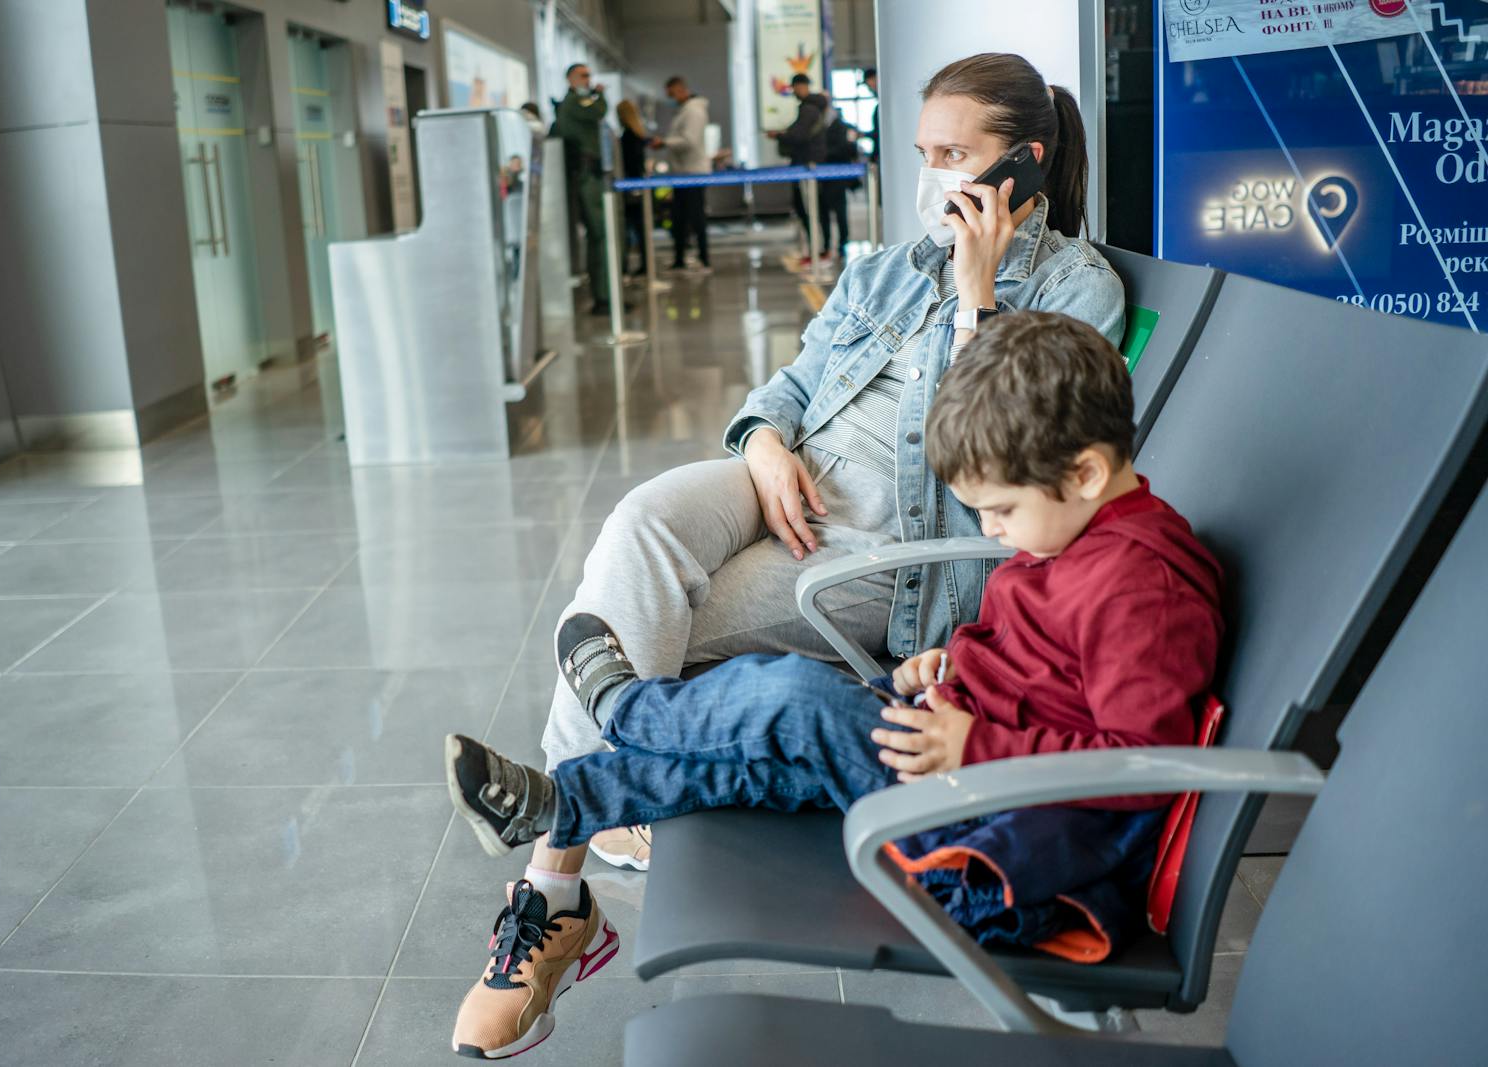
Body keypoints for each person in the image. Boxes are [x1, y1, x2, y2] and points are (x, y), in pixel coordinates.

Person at [449, 50, 1125, 1056]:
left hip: (888, 550)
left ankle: (552, 888)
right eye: (925, 153)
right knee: (640, 522)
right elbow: (796, 380)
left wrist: (977, 301)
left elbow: (992, 460)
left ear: (1023, 162)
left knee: (645, 634)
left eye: (958, 155)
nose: (938, 177)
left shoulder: (1078, 289)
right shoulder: (893, 267)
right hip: (789, 483)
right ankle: (579, 837)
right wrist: (763, 442)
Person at [446, 311, 1222, 1058]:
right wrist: (951, 664)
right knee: (755, 757)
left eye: (1000, 511)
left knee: (795, 700)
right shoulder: (1073, 531)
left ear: (1085, 472)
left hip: (994, 849)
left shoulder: (1139, 587)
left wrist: (973, 743)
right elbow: (1045, 667)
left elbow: (1141, 760)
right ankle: (564, 803)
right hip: (955, 768)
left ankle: (630, 708)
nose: (991, 532)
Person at [549, 63, 614, 315]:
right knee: (600, 234)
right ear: (571, 79)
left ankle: (605, 294)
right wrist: (601, 95)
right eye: (584, 76)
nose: (589, 80)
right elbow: (599, 111)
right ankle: (603, 296)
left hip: (590, 173)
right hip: (587, 175)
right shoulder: (575, 103)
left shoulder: (576, 102)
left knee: (600, 236)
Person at [768, 73, 830, 260]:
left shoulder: (808, 109)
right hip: (810, 164)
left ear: (801, 87)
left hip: (806, 165)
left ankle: (818, 252)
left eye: (795, 87)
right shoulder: (814, 108)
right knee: (814, 207)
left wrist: (779, 135)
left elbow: (799, 136)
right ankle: (819, 251)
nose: (794, 91)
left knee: (810, 208)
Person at [658, 75, 711, 272]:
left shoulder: (694, 112)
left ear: (680, 90)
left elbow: (690, 141)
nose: (671, 98)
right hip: (681, 173)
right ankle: (679, 258)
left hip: (693, 172)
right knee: (678, 217)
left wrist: (664, 143)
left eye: (671, 94)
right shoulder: (684, 111)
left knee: (696, 217)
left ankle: (704, 259)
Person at [615, 99, 650, 277]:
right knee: (639, 228)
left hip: (631, 187)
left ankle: (628, 267)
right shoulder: (638, 135)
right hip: (637, 185)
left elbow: (630, 163)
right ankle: (643, 265)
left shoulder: (628, 137)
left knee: (632, 228)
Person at [820, 110, 860, 259]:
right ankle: (829, 244)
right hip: (825, 177)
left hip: (836, 176)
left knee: (839, 211)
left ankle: (841, 243)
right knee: (827, 212)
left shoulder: (842, 127)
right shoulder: (823, 127)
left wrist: (823, 155)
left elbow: (849, 149)